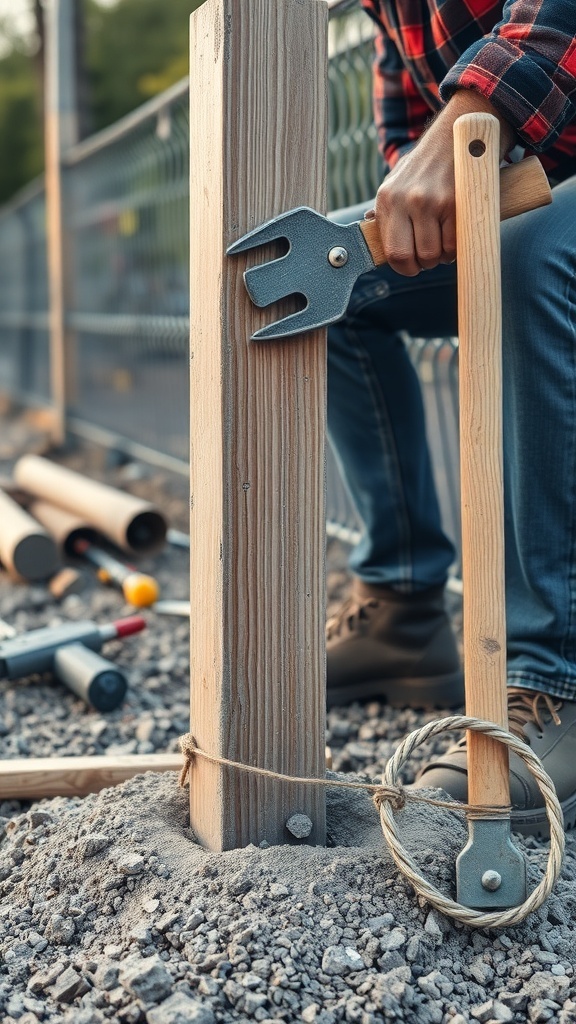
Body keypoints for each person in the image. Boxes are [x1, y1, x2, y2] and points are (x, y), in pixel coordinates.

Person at [326, 0, 576, 836]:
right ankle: (402, 606)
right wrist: (415, 196)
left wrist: (471, 117)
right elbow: (407, 143)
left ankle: (555, 675)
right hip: (529, 190)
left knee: (532, 253)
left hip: (546, 212)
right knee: (336, 282)